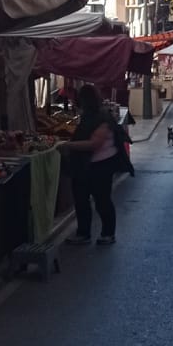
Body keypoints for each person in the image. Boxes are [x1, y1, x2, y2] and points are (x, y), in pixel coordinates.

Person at [62, 84, 120, 245]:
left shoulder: (102, 119)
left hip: (101, 166)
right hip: (83, 167)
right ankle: (83, 233)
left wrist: (67, 145)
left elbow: (94, 144)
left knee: (102, 200)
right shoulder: (89, 116)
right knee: (81, 200)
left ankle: (108, 233)